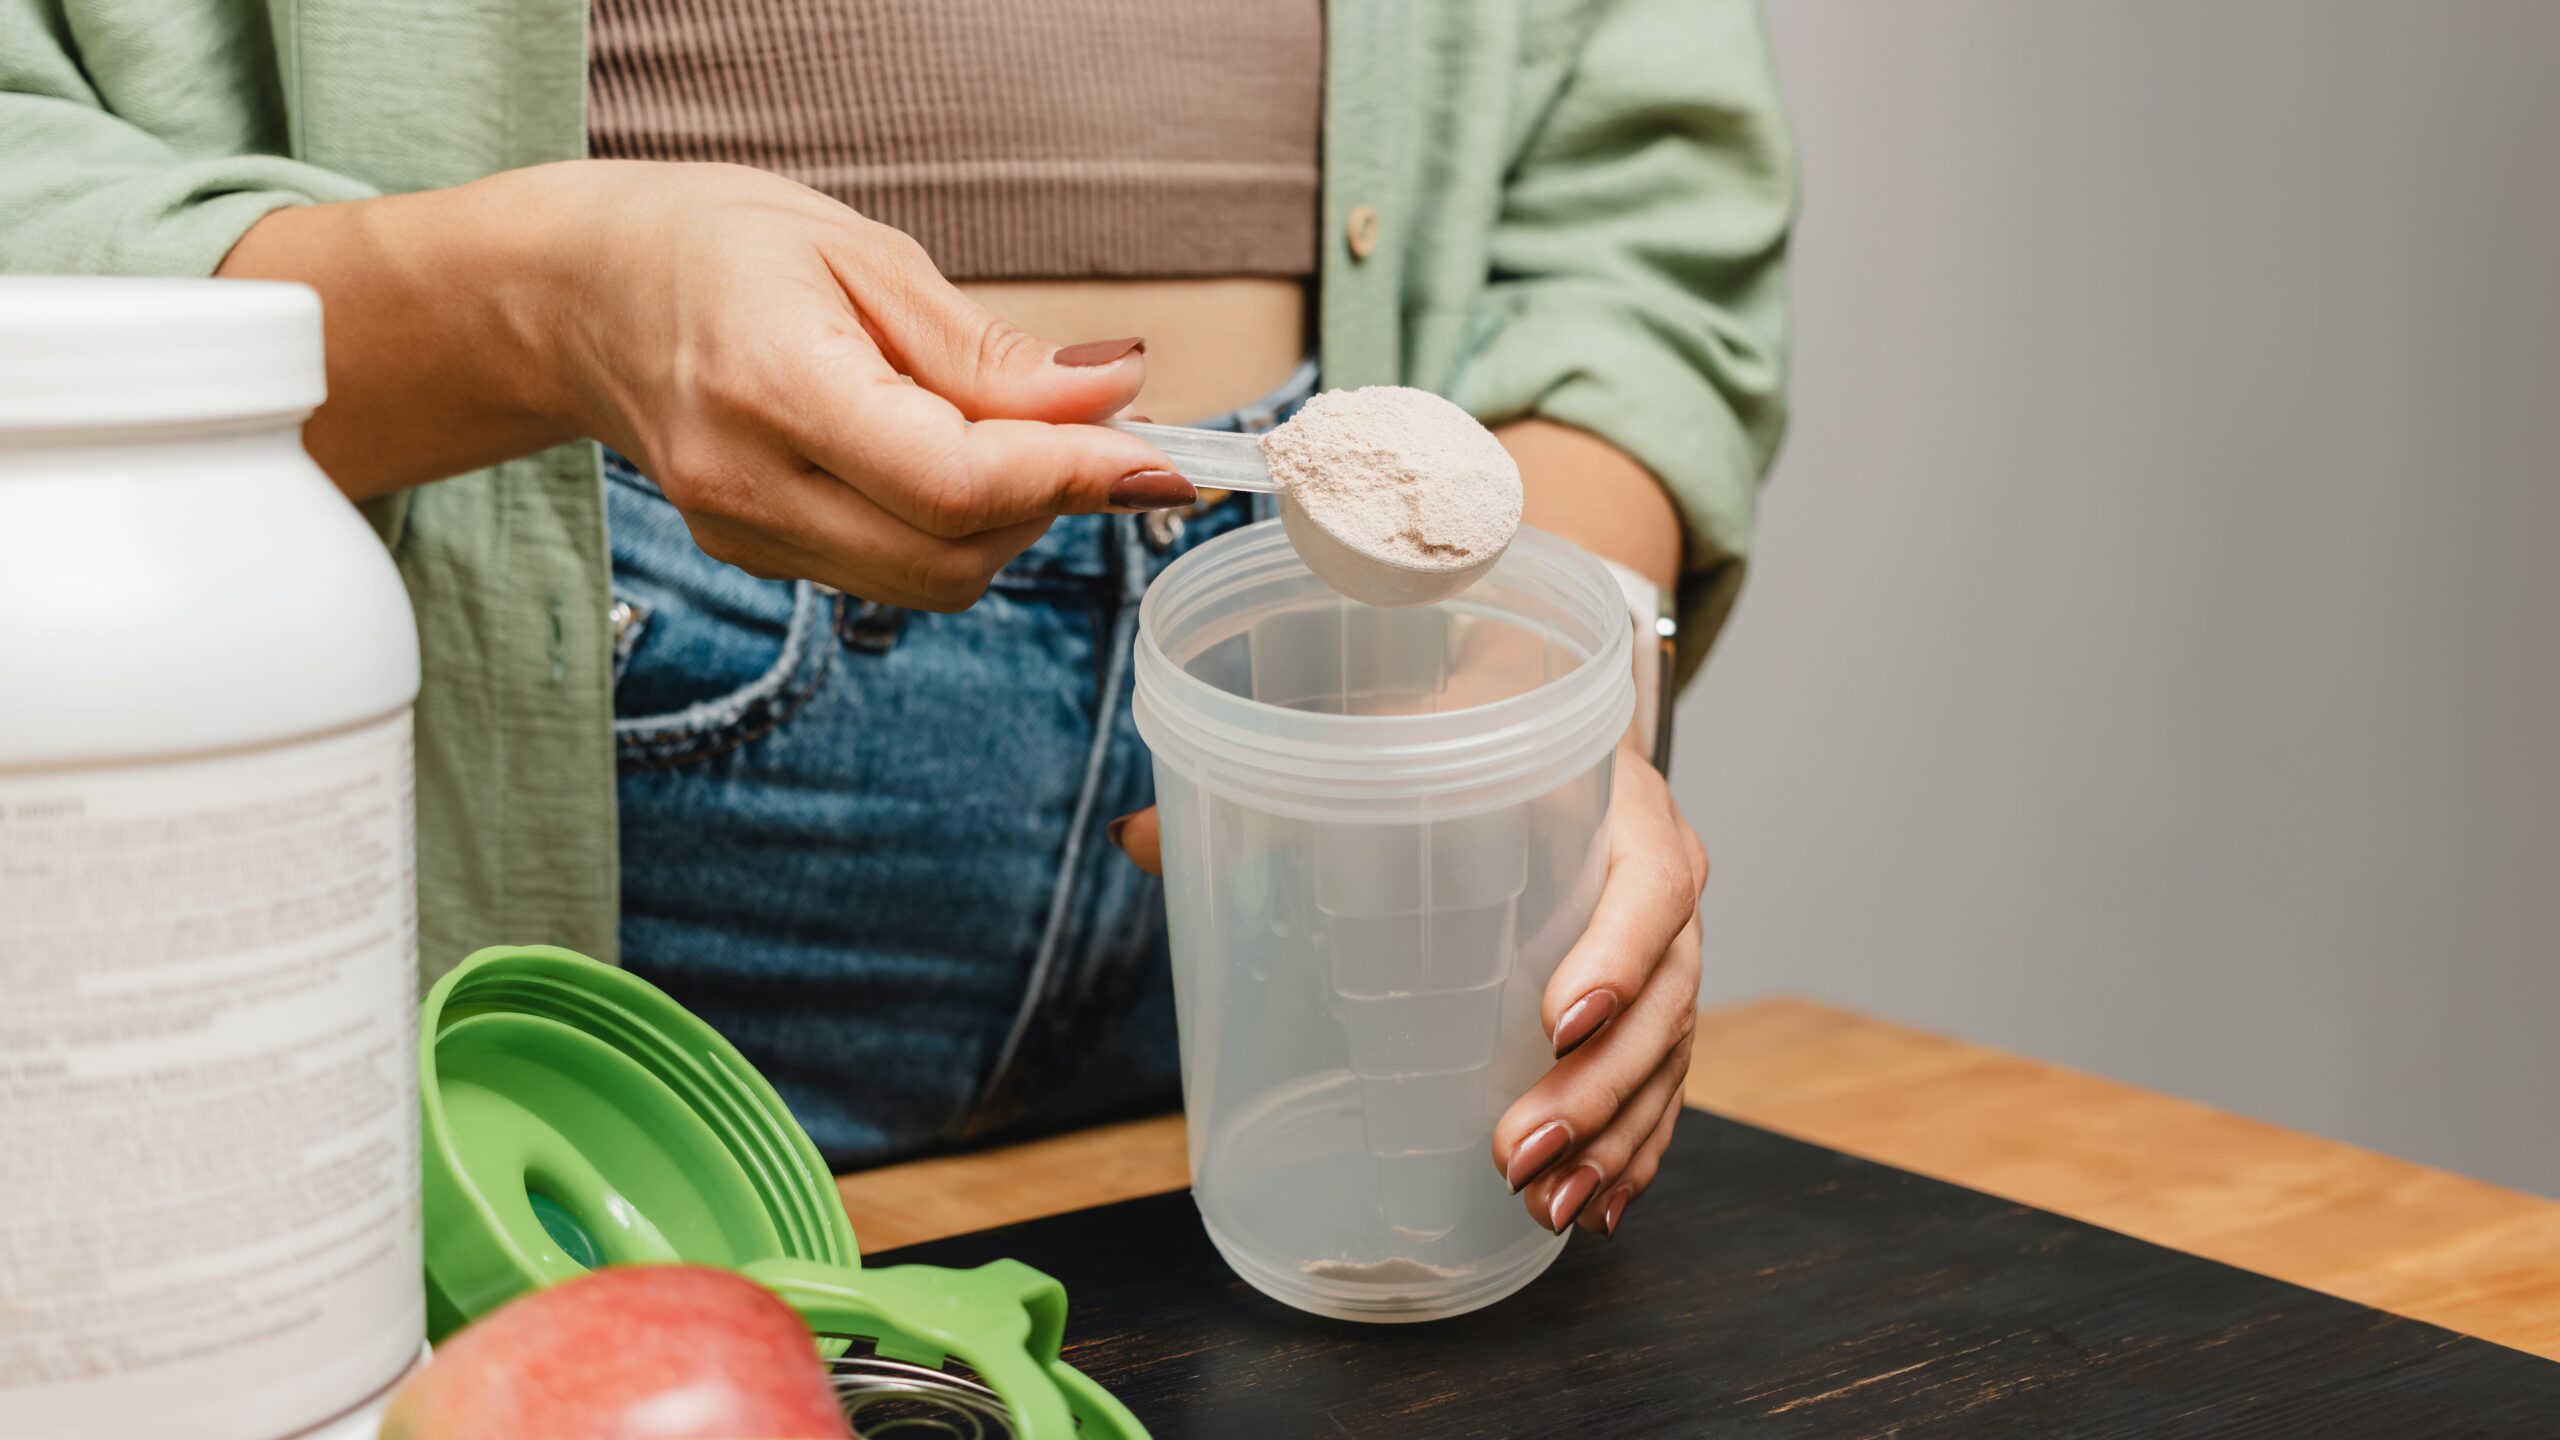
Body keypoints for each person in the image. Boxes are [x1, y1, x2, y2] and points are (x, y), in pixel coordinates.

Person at [0, 0, 1793, 1239]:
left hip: (1337, 724)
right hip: (592, 689)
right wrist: (541, 310)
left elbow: (1630, 225)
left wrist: (1534, 677)